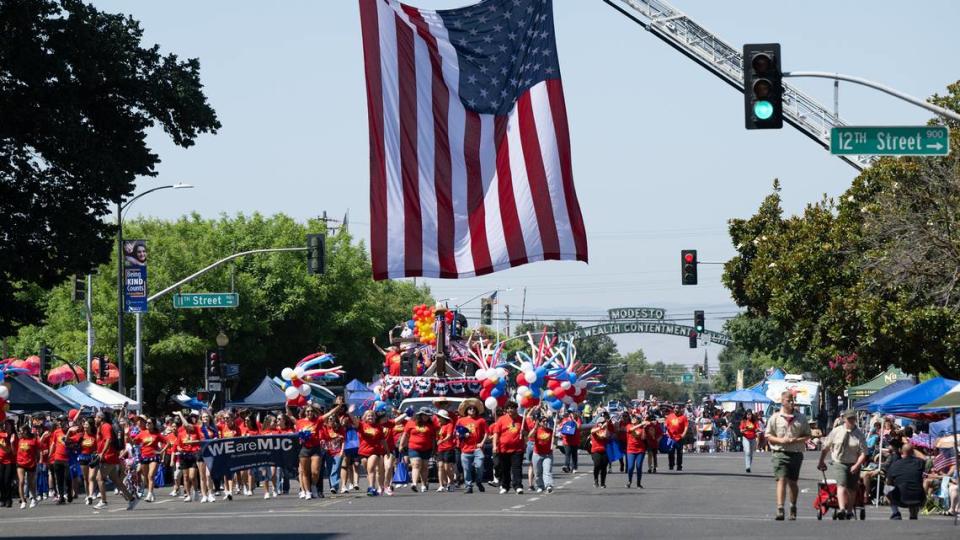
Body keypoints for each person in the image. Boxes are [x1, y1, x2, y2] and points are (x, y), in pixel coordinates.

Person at [764, 391, 812, 521]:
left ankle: (793, 506)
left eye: (793, 400)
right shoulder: (775, 417)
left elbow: (808, 435)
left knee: (792, 482)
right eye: (789, 400)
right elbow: (768, 435)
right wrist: (780, 441)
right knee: (781, 479)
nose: (792, 403)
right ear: (782, 401)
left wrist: (796, 440)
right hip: (780, 452)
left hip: (796, 453)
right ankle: (780, 509)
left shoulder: (801, 418)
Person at [817, 410, 868, 520]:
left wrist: (857, 465)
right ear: (844, 419)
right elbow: (826, 447)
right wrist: (821, 461)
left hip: (853, 462)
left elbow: (863, 453)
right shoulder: (836, 431)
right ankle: (842, 509)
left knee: (852, 488)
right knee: (841, 484)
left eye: (853, 419)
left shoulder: (859, 434)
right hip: (839, 462)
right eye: (849, 419)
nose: (851, 421)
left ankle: (849, 511)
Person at [93, 411, 138, 510]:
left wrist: (102, 453)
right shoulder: (101, 427)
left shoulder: (105, 426)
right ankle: (132, 499)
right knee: (116, 481)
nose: (94, 419)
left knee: (99, 478)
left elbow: (108, 439)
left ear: (100, 418)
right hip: (109, 456)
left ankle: (104, 501)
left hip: (109, 457)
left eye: (95, 417)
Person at [490, 401, 527, 495]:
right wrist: (494, 446)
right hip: (503, 449)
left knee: (517, 468)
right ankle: (505, 486)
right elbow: (496, 433)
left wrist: (524, 433)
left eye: (512, 408)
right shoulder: (501, 419)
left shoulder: (521, 420)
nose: (510, 410)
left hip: (517, 449)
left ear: (516, 409)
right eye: (508, 408)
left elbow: (527, 434)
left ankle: (518, 486)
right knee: (504, 468)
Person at [399, 408, 437, 493]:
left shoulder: (431, 425)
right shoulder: (411, 423)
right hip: (414, 447)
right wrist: (401, 445)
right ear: (420, 415)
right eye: (425, 415)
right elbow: (405, 434)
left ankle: (424, 484)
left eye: (428, 416)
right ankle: (414, 484)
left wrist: (434, 449)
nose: (426, 417)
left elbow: (433, 438)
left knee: (424, 466)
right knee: (416, 464)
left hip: (427, 448)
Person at [885, 442, 926, 520]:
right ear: (913, 452)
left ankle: (895, 512)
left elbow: (888, 482)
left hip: (900, 499)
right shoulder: (920, 462)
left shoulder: (895, 464)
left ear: (901, 451)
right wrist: (913, 450)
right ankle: (913, 514)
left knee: (886, 488)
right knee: (914, 485)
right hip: (919, 499)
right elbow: (925, 459)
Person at [456, 398, 487, 494]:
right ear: (466, 410)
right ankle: (468, 486)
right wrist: (462, 435)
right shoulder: (461, 420)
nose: (472, 410)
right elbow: (456, 433)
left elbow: (487, 432)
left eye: (474, 408)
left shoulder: (481, 420)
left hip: (477, 448)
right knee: (467, 469)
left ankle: (478, 481)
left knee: (479, 466)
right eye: (470, 408)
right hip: (465, 449)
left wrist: (482, 442)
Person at [134, 417, 167, 502]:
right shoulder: (142, 433)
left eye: (149, 423)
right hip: (144, 456)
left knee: (151, 475)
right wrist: (127, 435)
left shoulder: (157, 434)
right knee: (146, 476)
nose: (147, 424)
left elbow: (167, 443)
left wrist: (161, 451)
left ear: (153, 424)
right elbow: (134, 441)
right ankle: (151, 492)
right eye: (147, 423)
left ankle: (149, 494)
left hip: (154, 456)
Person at [529, 409, 555, 494]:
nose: (545, 423)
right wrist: (535, 428)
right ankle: (540, 486)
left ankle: (548, 485)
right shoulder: (536, 430)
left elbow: (555, 439)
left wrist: (555, 439)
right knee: (537, 472)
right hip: (537, 454)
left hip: (548, 454)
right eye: (543, 421)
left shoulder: (550, 431)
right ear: (539, 422)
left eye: (546, 421)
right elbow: (530, 436)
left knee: (547, 471)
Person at [16, 423, 40, 509]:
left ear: (25, 431)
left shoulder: (33, 440)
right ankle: (23, 501)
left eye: (21, 431)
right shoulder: (20, 439)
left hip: (31, 463)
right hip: (20, 463)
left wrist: (38, 460)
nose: (20, 432)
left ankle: (34, 498)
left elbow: (37, 452)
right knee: (21, 481)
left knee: (30, 483)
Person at [624, 411, 647, 488]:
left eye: (635, 418)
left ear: (639, 419)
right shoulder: (629, 426)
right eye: (633, 417)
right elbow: (631, 431)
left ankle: (638, 483)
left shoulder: (641, 428)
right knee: (630, 467)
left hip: (640, 450)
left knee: (639, 466)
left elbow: (643, 438)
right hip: (630, 450)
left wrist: (644, 428)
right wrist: (641, 424)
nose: (633, 419)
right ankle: (629, 481)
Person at [589, 411, 612, 488]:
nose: (601, 423)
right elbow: (592, 431)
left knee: (604, 467)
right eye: (600, 422)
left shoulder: (606, 429)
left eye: (602, 422)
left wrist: (606, 427)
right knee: (597, 465)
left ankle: (602, 482)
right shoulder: (595, 429)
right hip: (595, 451)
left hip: (605, 450)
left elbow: (606, 435)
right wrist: (600, 427)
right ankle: (596, 480)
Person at [665, 404, 689, 471]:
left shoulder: (683, 417)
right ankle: (671, 465)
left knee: (679, 453)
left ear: (680, 409)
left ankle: (679, 466)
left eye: (677, 408)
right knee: (670, 452)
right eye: (675, 408)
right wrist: (667, 431)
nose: (676, 409)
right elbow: (666, 425)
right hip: (671, 437)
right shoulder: (670, 416)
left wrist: (683, 434)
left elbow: (686, 426)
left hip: (679, 438)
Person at [0, 419, 18, 508]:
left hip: (10, 462)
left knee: (7, 481)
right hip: (1, 461)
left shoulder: (14, 436)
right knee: (1, 480)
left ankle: (8, 500)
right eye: (4, 425)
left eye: (6, 425)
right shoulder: (1, 435)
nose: (4, 426)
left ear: (11, 426)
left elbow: (12, 452)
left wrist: (11, 443)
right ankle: (2, 499)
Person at [559, 409, 581, 474]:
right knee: (567, 454)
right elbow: (560, 428)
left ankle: (574, 467)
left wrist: (574, 421)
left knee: (574, 454)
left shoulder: (577, 419)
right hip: (566, 440)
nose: (570, 414)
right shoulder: (565, 420)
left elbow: (579, 427)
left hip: (575, 440)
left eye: (571, 413)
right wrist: (563, 424)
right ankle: (566, 466)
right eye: (569, 413)